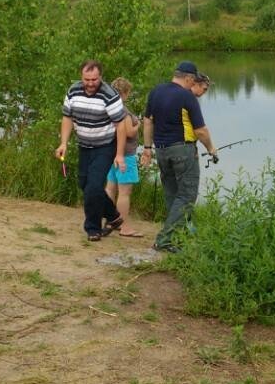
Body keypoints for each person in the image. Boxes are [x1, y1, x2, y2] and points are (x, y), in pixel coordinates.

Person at [141, 60, 218, 252]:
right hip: (183, 150)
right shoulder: (186, 96)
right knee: (187, 195)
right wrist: (211, 149)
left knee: (173, 195)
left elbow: (148, 122)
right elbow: (200, 131)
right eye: (194, 80)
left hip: (161, 150)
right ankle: (164, 240)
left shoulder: (156, 91)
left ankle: (178, 237)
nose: (194, 84)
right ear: (189, 78)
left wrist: (148, 148)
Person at [56, 60, 127, 242]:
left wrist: (119, 155)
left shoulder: (109, 95)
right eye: (87, 79)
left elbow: (121, 126)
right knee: (84, 185)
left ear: (100, 77)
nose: (90, 83)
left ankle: (93, 228)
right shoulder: (73, 91)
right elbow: (67, 118)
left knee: (94, 187)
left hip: (105, 146)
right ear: (82, 77)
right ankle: (113, 215)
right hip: (84, 145)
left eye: (94, 79)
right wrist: (64, 142)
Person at [105, 77, 142, 238]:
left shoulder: (108, 108)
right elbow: (128, 133)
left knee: (110, 188)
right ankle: (124, 227)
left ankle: (108, 221)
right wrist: (138, 125)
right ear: (125, 93)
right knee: (124, 192)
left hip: (110, 155)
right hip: (125, 156)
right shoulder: (124, 112)